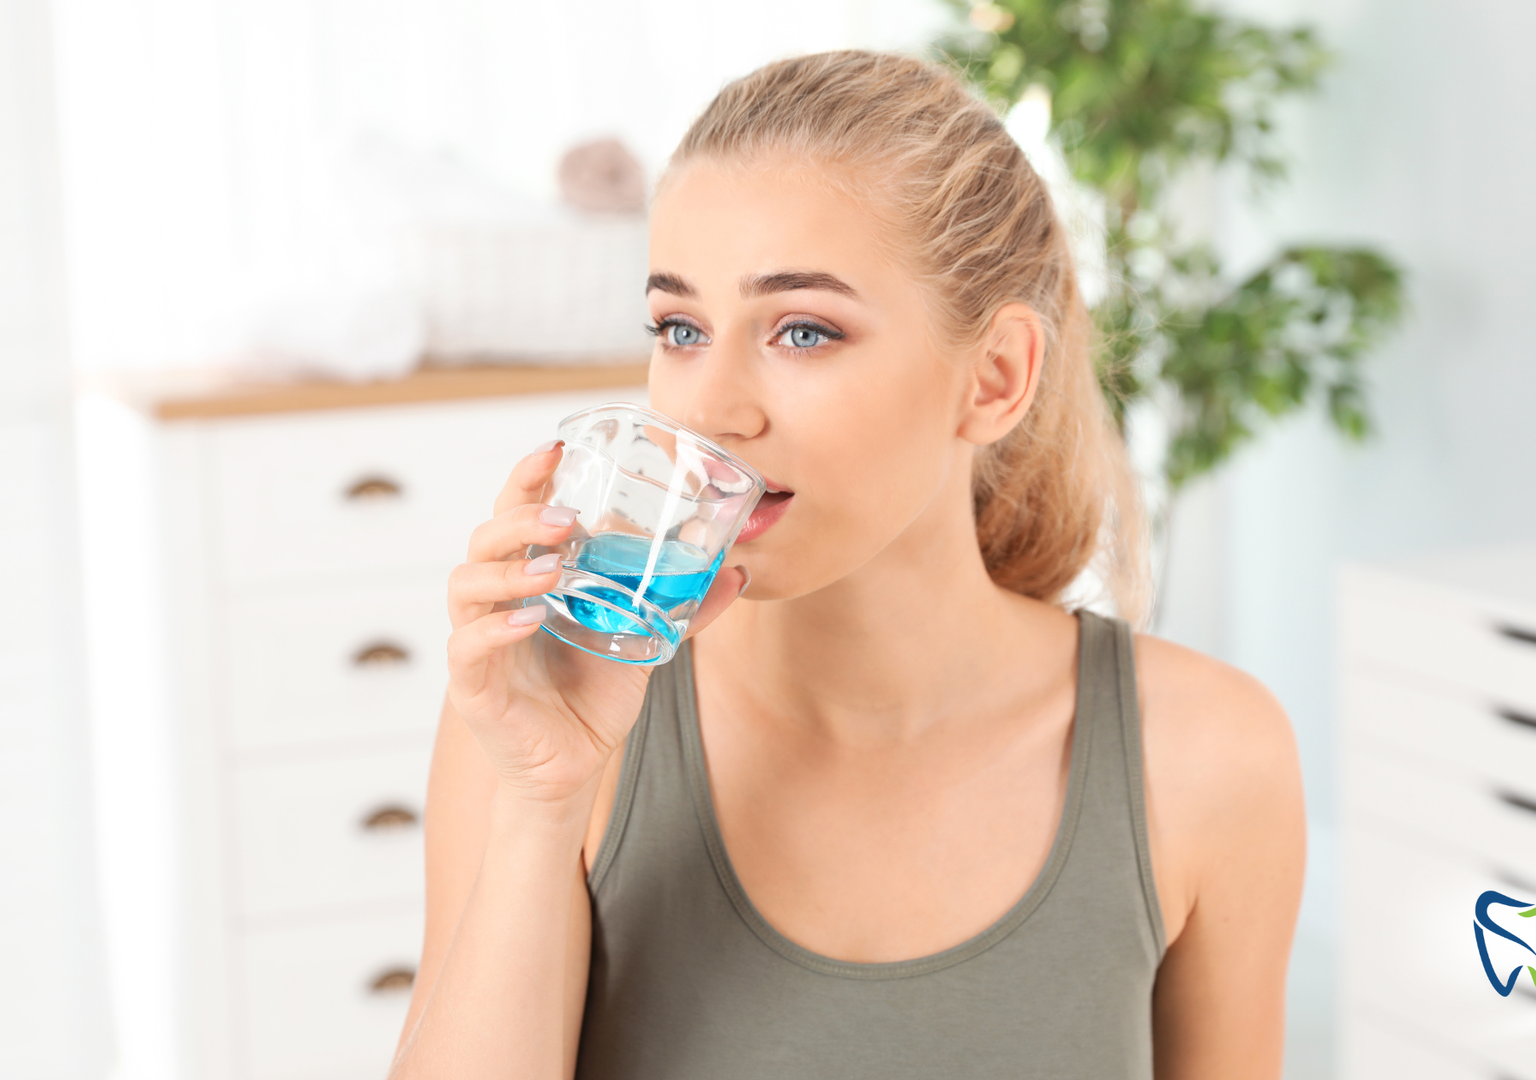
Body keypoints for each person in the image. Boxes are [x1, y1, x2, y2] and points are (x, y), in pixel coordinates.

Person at [392, 50, 1305, 1080]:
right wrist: (541, 800)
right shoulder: (545, 718)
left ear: (995, 378)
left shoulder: (1208, 761)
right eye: (680, 329)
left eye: (802, 331)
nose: (708, 410)